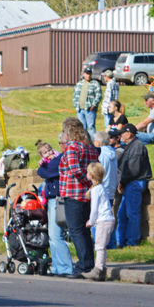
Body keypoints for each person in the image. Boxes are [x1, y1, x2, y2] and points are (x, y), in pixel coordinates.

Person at [58, 117, 99, 278]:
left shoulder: (72, 147)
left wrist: (84, 182)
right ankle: (89, 262)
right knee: (84, 231)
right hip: (87, 195)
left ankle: (84, 264)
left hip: (74, 193)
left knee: (76, 230)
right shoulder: (89, 148)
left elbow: (75, 169)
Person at [111, 123, 152, 247]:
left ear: (130, 133)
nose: (121, 135)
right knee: (122, 214)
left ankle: (132, 242)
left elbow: (133, 169)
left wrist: (122, 182)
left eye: (123, 133)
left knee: (132, 214)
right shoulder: (131, 145)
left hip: (134, 183)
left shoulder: (137, 146)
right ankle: (120, 241)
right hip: (130, 183)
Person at [37, 137, 73, 276]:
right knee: (52, 236)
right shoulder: (48, 162)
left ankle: (66, 267)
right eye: (45, 152)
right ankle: (57, 267)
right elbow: (44, 171)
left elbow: (48, 172)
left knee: (56, 235)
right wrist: (42, 168)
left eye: (49, 150)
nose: (49, 153)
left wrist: (41, 169)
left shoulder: (58, 159)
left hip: (57, 199)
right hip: (51, 199)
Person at [84, 162, 115, 281]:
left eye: (88, 172)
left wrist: (91, 221)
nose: (86, 174)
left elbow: (95, 208)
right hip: (106, 220)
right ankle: (102, 270)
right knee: (101, 246)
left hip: (103, 220)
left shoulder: (96, 189)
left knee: (99, 246)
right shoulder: (100, 187)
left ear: (92, 175)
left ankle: (97, 270)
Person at [73, 68, 101, 136]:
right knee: (82, 128)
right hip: (80, 109)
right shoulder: (79, 84)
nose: (88, 75)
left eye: (89, 74)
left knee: (91, 127)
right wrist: (76, 105)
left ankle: (92, 143)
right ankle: (84, 143)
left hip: (90, 109)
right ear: (83, 74)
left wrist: (93, 105)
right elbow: (75, 95)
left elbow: (99, 95)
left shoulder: (95, 83)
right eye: (87, 74)